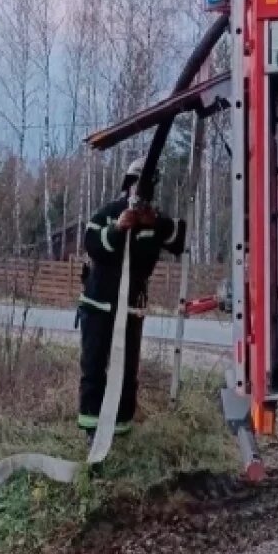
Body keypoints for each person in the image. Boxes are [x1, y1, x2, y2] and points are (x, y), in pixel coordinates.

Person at [77, 157, 186, 441]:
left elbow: (178, 240)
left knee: (127, 372)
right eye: (138, 183)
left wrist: (157, 223)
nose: (142, 190)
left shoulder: (155, 219)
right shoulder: (109, 213)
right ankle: (92, 430)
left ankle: (121, 429)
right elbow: (92, 245)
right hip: (99, 305)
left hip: (131, 308)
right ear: (128, 184)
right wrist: (118, 229)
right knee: (94, 368)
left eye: (148, 184)